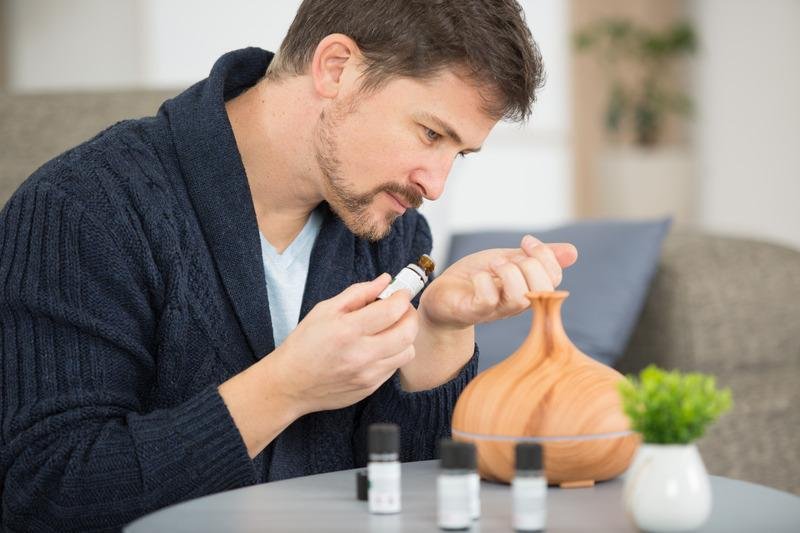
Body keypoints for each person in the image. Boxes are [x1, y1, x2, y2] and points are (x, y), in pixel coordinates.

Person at [0, 0, 578, 530]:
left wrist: (441, 330)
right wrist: (286, 388)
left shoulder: (392, 230)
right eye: (430, 133)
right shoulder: (82, 209)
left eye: (459, 154)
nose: (435, 184)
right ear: (336, 68)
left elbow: (417, 500)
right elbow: (44, 492)